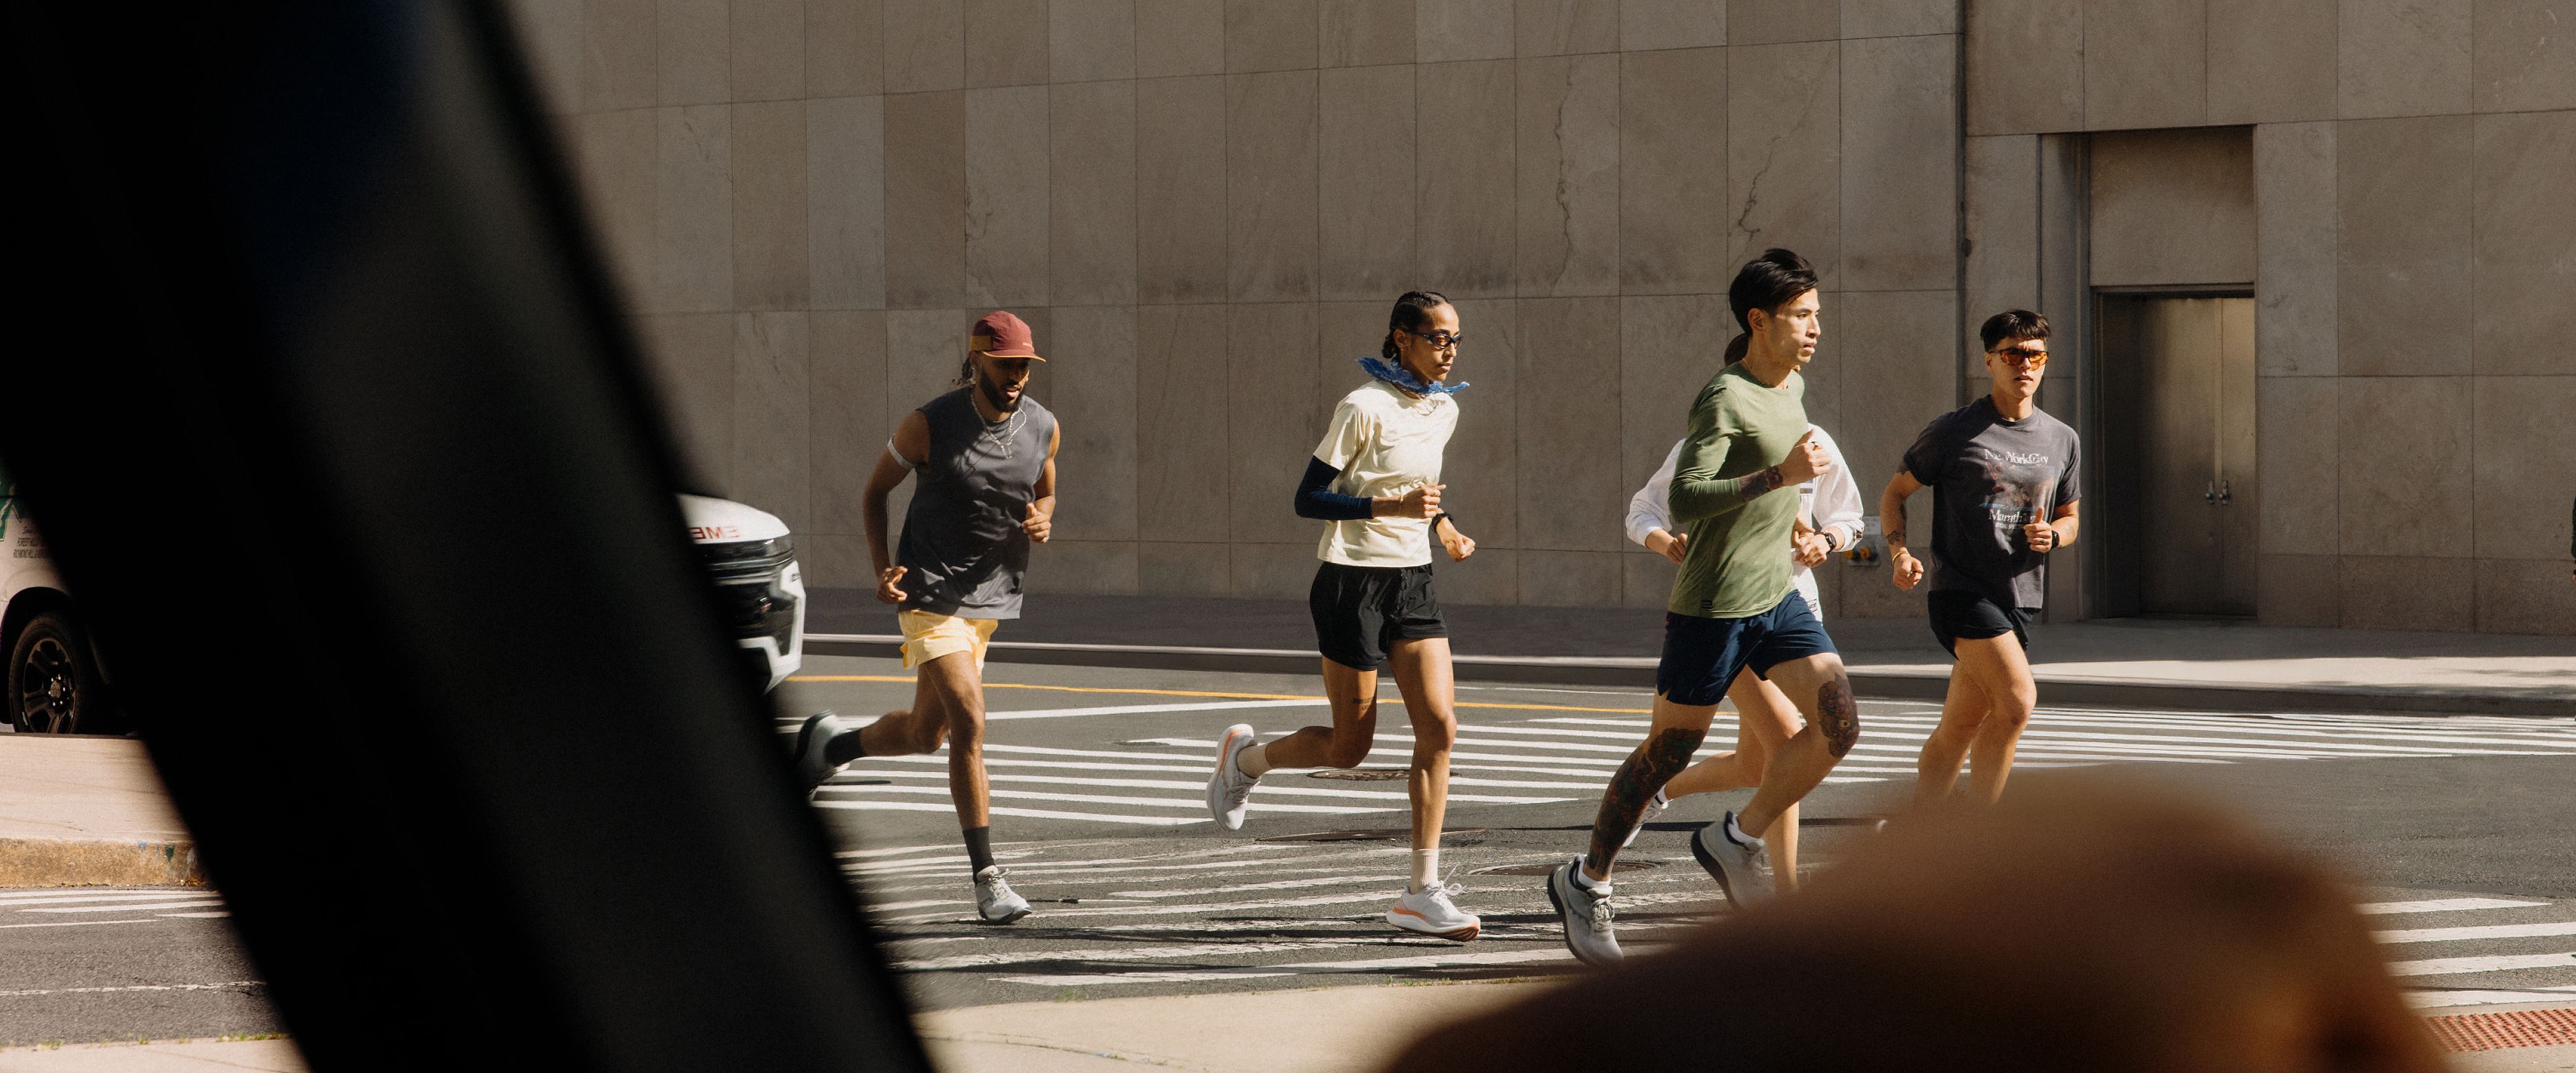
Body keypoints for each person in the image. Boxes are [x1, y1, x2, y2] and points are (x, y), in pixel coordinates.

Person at [1548, 249, 1861, 965]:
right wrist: (1780, 476)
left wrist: (1802, 523)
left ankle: (1737, 838)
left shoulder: (1792, 388)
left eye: (1817, 313)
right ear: (1759, 320)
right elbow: (1686, 497)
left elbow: (1785, 493)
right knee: (1668, 751)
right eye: (1802, 315)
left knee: (1838, 722)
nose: (1816, 327)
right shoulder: (1723, 397)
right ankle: (1586, 881)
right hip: (1715, 604)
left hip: (1780, 596)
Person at [1205, 291, 1483, 941]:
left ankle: (1421, 892)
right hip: (1350, 585)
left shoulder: (1444, 409)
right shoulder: (1362, 407)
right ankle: (1245, 763)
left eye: (1455, 339)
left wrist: (1442, 524)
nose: (1448, 350)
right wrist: (1388, 510)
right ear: (1402, 338)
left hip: (1413, 582)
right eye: (1437, 337)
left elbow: (1417, 490)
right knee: (1350, 747)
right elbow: (1309, 499)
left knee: (1440, 728)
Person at [789, 311, 1060, 924]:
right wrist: (882, 568)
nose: (1016, 376)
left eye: (1024, 365)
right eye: (1005, 364)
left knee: (924, 734)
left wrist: (1043, 517)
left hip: (990, 598)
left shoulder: (1042, 426)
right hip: (929, 592)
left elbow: (1045, 488)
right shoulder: (929, 424)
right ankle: (988, 880)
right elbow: (874, 492)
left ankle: (831, 746)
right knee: (970, 720)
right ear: (977, 360)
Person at [1619, 361, 1864, 894]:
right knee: (1784, 744)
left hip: (1795, 613)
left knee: (1756, 766)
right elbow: (1644, 510)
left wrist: (1825, 541)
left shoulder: (1813, 441)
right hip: (1731, 611)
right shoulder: (1711, 443)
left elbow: (1850, 517)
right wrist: (1668, 543)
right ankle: (1783, 893)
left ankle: (1656, 792)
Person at [1882, 310, 2080, 809]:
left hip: (2019, 596)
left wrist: (2054, 536)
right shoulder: (1954, 431)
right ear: (1989, 361)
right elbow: (1895, 493)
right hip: (1961, 591)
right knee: (2016, 704)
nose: (2025, 365)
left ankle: (1924, 820)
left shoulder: (2062, 438)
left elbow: (2071, 518)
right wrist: (1900, 552)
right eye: (2012, 354)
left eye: (2035, 355)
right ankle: (1980, 829)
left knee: (1961, 725)